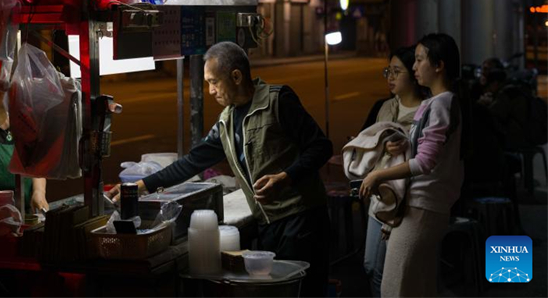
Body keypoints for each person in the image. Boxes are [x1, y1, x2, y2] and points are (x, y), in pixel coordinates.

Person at [109, 41, 333, 297]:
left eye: (214, 82)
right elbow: (192, 162)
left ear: (235, 76)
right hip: (268, 226)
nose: (211, 90)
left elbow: (321, 147)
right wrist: (140, 186)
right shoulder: (226, 120)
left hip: (302, 220)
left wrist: (286, 178)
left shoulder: (277, 101)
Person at [359, 33, 464, 297]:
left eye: (419, 60)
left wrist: (379, 175)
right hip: (421, 205)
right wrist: (402, 144)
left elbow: (426, 161)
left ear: (438, 65)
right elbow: (427, 148)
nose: (415, 67)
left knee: (394, 288)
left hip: (422, 206)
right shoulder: (435, 103)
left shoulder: (441, 103)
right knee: (420, 286)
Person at [361, 46, 426, 297]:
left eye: (397, 71)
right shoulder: (386, 107)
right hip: (380, 199)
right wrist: (381, 146)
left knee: (385, 272)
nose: (390, 77)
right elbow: (367, 147)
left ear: (414, 73)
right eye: (388, 70)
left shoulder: (425, 112)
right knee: (370, 266)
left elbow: (424, 163)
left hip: (405, 202)